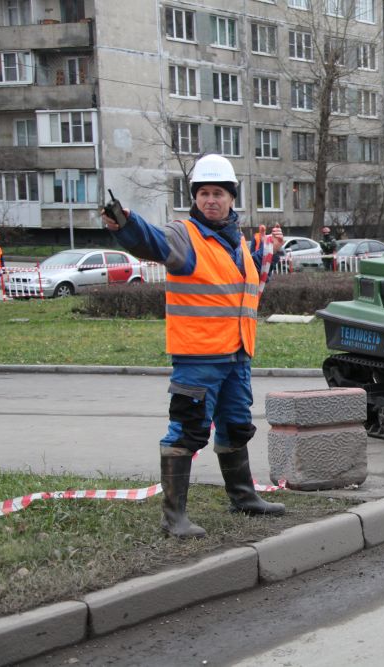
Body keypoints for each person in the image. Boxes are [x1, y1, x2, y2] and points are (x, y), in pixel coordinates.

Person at [102, 154, 286, 538]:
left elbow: (240, 285)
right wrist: (126, 223)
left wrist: (269, 250)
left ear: (232, 198)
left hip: (236, 356)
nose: (210, 200)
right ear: (195, 198)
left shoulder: (234, 243)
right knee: (187, 431)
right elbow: (151, 241)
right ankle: (175, 519)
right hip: (198, 357)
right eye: (203, 193)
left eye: (218, 193)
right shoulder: (183, 236)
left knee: (236, 427)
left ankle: (243, 497)